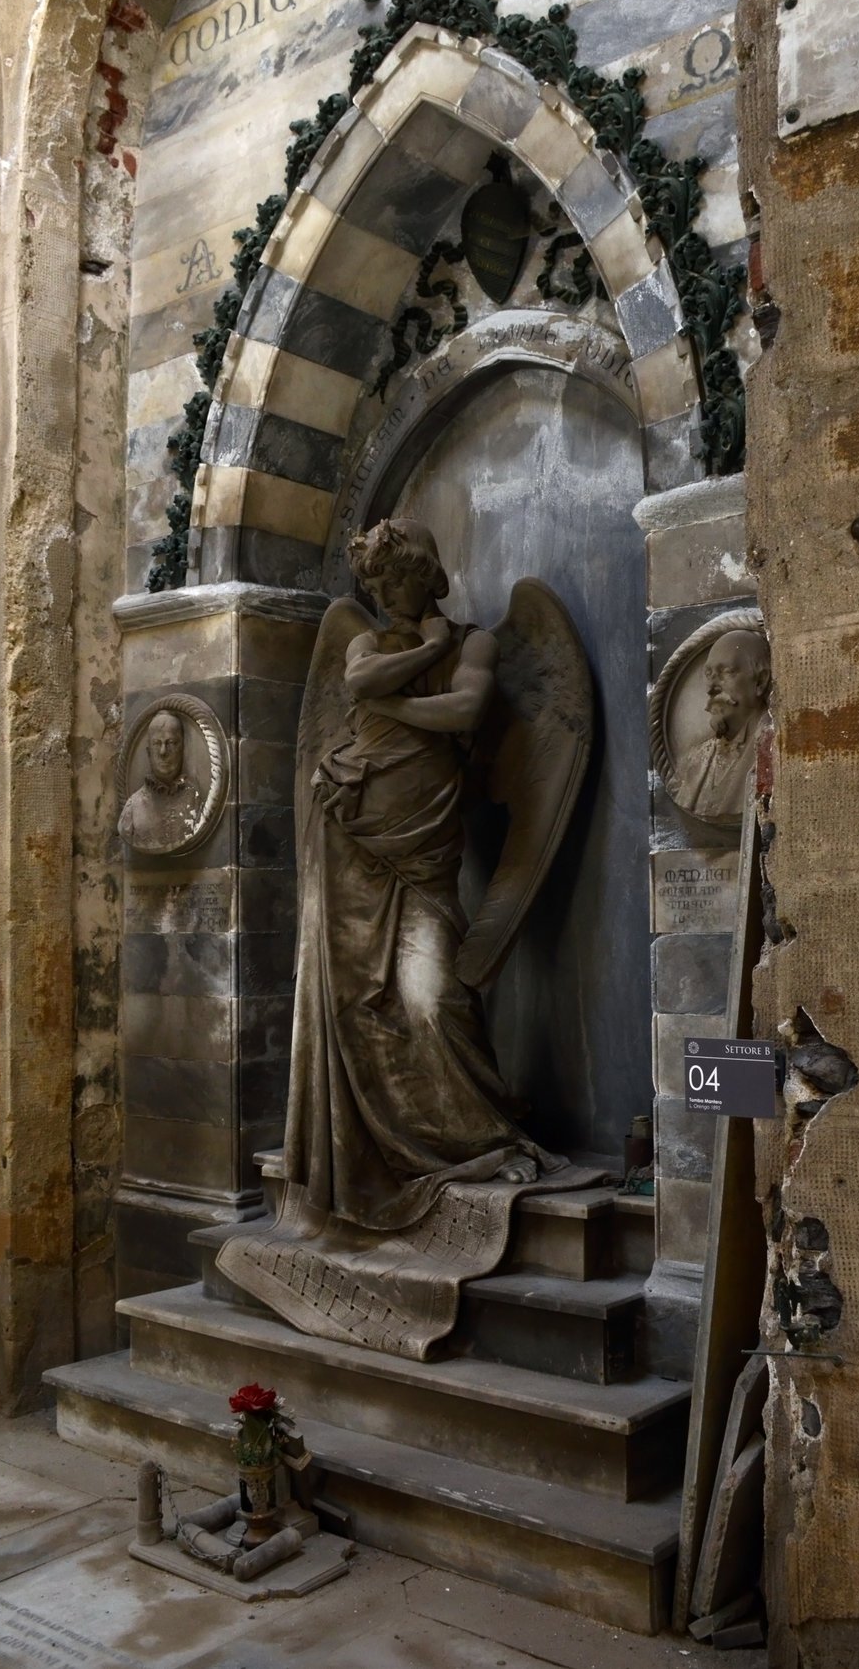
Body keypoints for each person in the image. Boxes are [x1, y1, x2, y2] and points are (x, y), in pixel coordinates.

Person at [283, 517, 562, 1232]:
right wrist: (420, 656)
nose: (386, 595)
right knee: (357, 1006)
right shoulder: (369, 642)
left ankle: (480, 1139)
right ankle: (381, 1145)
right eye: (376, 584)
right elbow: (358, 678)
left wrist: (395, 700)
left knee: (432, 999)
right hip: (350, 839)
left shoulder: (475, 643)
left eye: (397, 580)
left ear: (428, 576)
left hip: (423, 848)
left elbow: (466, 707)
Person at [674, 629, 771, 821]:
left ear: (760, 681)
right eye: (709, 673)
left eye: (726, 672)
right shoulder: (694, 761)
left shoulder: (777, 750)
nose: (711, 688)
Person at [118, 709, 203, 854]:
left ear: (182, 749)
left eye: (171, 743)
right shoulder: (133, 808)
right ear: (148, 752)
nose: (163, 752)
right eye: (157, 743)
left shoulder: (196, 801)